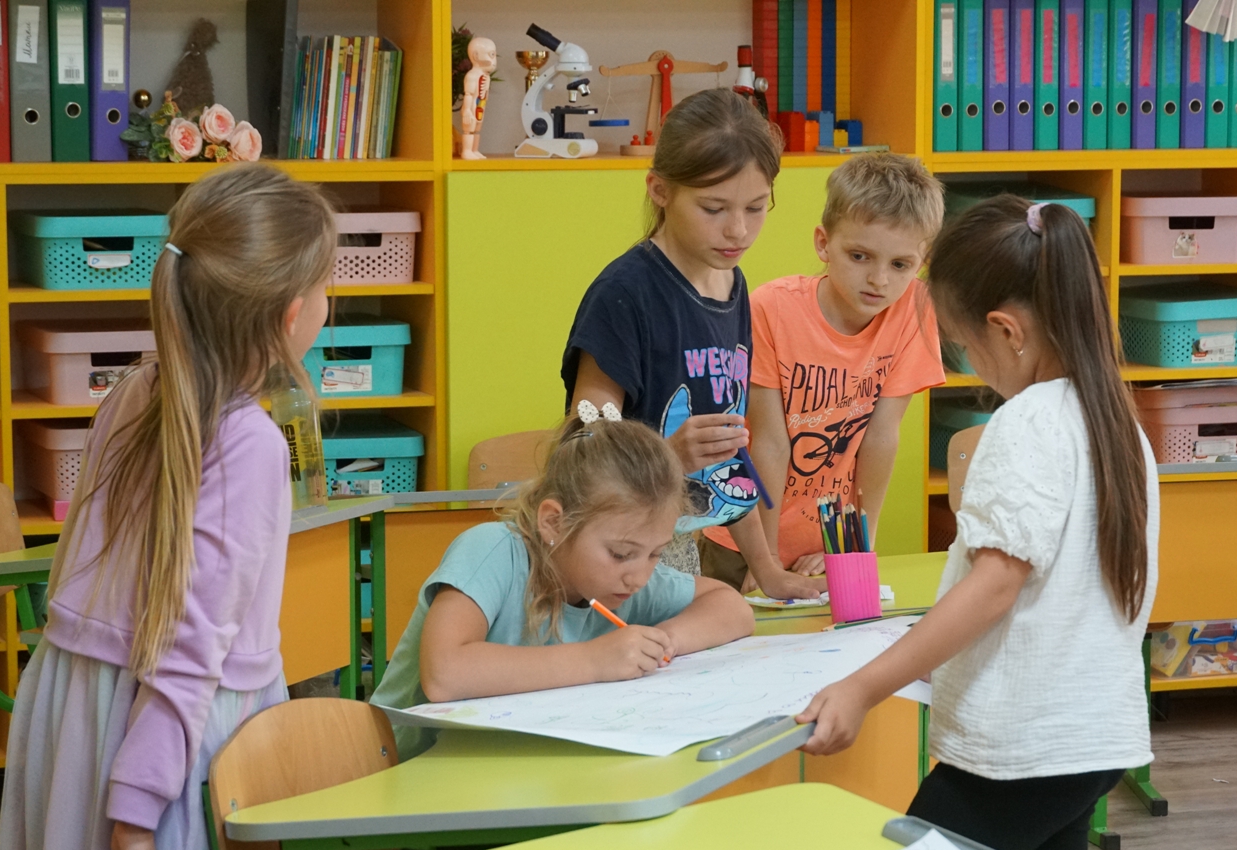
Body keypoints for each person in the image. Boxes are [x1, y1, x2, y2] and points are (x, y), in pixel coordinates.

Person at [0, 163, 337, 850]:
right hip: (173, 741)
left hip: (88, 705)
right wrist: (137, 811)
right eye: (329, 289)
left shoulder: (133, 393)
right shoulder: (249, 443)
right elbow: (189, 651)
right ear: (291, 315)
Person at [796, 197, 1159, 850]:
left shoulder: (1027, 423)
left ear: (1007, 330)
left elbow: (995, 585)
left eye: (965, 344)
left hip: (1021, 746)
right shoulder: (1112, 420)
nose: (970, 364)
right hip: (1092, 738)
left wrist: (862, 688)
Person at [372, 405, 756, 761]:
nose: (639, 576)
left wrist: (663, 642)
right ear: (554, 523)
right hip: (400, 770)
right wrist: (595, 660)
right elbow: (444, 674)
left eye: (655, 553)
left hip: (509, 764)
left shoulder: (620, 579)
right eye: (620, 553)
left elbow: (731, 607)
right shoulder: (492, 550)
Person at [560, 88, 814, 594]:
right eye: (713, 208)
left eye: (756, 208)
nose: (737, 230)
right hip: (618, 546)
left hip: (676, 543)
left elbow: (728, 458)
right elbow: (583, 446)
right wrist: (668, 456)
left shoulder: (731, 284)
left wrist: (767, 570)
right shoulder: (625, 294)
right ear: (660, 190)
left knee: (728, 617)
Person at [699, 153, 946, 593]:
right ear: (823, 243)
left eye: (900, 265)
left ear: (921, 261)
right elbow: (769, 441)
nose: (879, 280)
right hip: (745, 540)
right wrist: (766, 560)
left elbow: (881, 437)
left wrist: (856, 545)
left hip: (827, 543)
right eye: (859, 256)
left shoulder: (914, 310)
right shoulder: (769, 310)